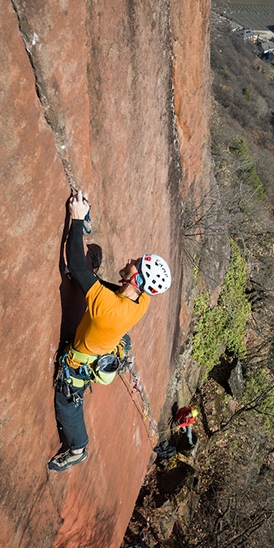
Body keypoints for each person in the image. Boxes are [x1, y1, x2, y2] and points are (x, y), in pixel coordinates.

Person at [49, 190, 172, 472]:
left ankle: (77, 449)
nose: (130, 259)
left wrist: (77, 220)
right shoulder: (142, 299)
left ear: (135, 278)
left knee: (67, 401)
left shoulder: (109, 308)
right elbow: (104, 285)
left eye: (135, 263)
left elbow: (76, 266)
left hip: (83, 357)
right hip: (109, 337)